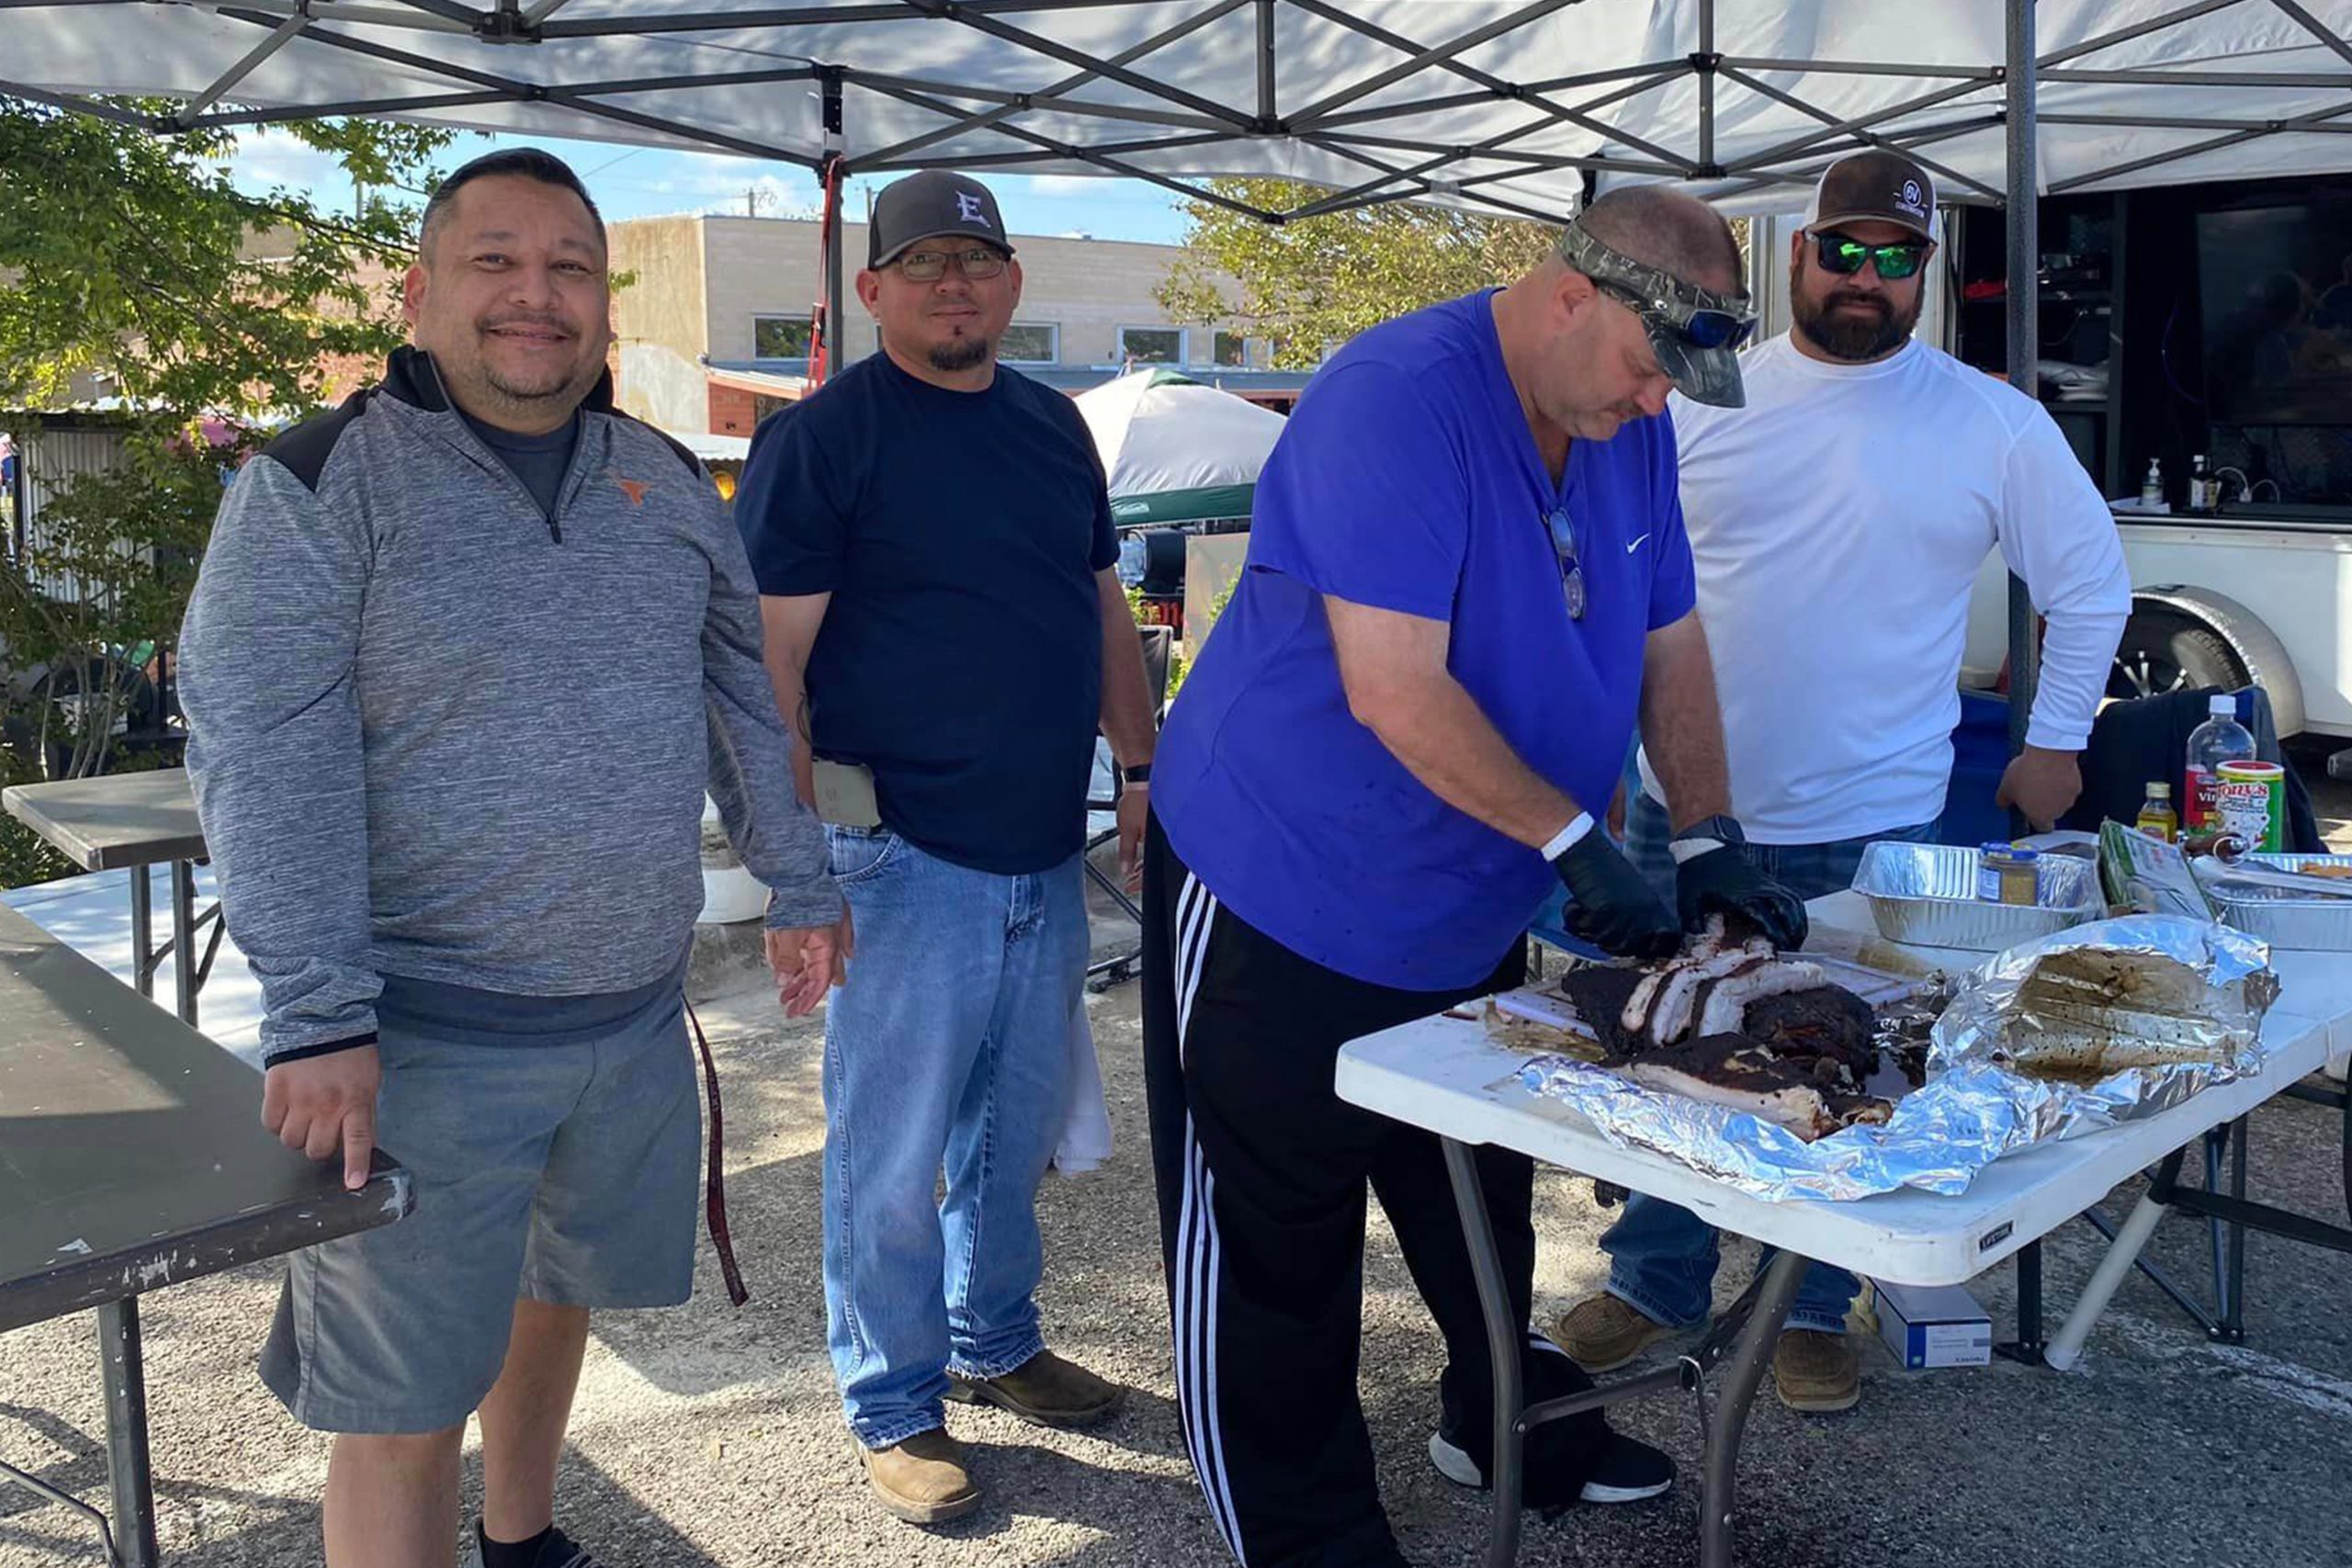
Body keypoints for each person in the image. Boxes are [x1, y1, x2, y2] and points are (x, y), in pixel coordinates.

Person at [179, 148, 848, 1568]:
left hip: (627, 1019)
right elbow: (262, 753)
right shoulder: (317, 485)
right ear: (421, 293)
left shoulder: (668, 484)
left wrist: (802, 880)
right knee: (403, 1401)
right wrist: (317, 1014)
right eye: (495, 262)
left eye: (568, 268)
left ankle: (526, 1536)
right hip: (416, 1044)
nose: (534, 296)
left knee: (559, 1298)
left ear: (606, 306)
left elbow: (745, 697)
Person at [1139, 186, 1810, 1568]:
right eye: (1643, 369)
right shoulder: (1392, 397)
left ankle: (1502, 1420)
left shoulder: (1633, 419)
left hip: (1467, 896)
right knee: (1278, 1249)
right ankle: (1304, 1537)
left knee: (1471, 1193)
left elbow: (1668, 638)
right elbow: (1394, 689)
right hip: (1287, 885)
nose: (1648, 405)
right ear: (1575, 294)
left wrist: (1707, 833)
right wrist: (1575, 842)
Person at [1555, 150, 2131, 1415]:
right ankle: (1657, 1279)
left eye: (1898, 258)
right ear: (1797, 253)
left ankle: (1814, 1300)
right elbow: (1619, 589)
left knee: (1843, 1072)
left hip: (1875, 821)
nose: (1867, 278)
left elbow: (2093, 587)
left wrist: (2054, 739)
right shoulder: (1704, 392)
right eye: (1846, 250)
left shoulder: (1992, 422)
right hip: (1680, 809)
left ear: (1926, 272)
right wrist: (1597, 760)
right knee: (1669, 1053)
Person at [732, 168, 1158, 1527]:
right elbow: (767, 670)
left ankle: (995, 1339)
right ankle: (894, 1404)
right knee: (890, 1145)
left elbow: (1102, 613)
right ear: (873, 292)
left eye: (977, 259)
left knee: (1011, 1132)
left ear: (1012, 283)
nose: (953, 282)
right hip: (898, 852)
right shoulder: (828, 438)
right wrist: (794, 873)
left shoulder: (1051, 430)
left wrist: (1141, 769)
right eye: (922, 265)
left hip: (1046, 848)